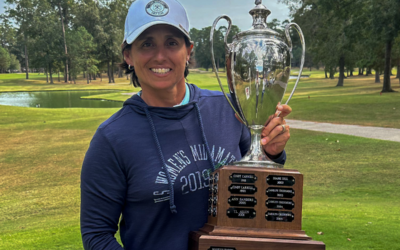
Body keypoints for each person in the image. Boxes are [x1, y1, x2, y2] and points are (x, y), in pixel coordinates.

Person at [80, 0, 292, 249]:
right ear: (128, 55)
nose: (160, 55)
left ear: (188, 51)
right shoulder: (112, 138)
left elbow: (256, 179)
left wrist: (271, 151)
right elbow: (97, 235)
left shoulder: (229, 108)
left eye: (172, 42)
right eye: (147, 44)